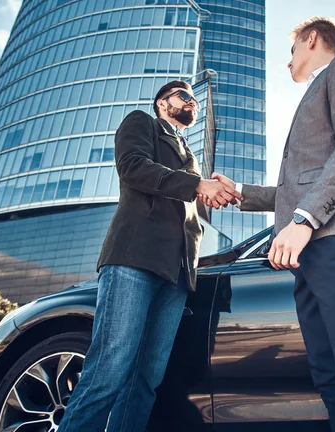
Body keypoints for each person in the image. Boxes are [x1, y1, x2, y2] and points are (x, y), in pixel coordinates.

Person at [200, 17, 335, 432]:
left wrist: (305, 220)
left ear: (311, 38)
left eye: (291, 51)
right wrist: (241, 191)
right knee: (330, 377)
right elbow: (296, 186)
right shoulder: (315, 92)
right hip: (305, 253)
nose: (288, 63)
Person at [57, 80, 240, 432]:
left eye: (195, 101)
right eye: (184, 96)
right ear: (162, 102)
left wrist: (217, 191)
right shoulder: (142, 121)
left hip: (176, 273)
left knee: (146, 381)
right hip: (134, 259)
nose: (192, 103)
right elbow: (134, 168)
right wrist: (198, 185)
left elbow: (190, 201)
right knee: (107, 372)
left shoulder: (189, 153)